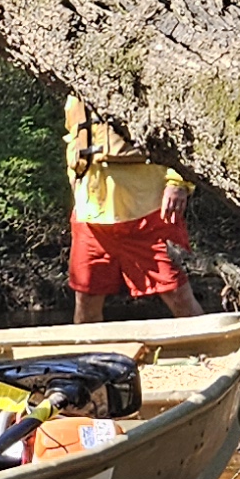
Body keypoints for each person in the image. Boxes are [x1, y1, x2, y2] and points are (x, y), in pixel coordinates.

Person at [66, 96, 200, 323]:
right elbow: (75, 138)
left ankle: (208, 352)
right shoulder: (74, 88)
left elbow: (189, 135)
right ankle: (85, 358)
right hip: (91, 216)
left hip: (150, 211)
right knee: (86, 302)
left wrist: (179, 182)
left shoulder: (148, 78)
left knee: (178, 295)